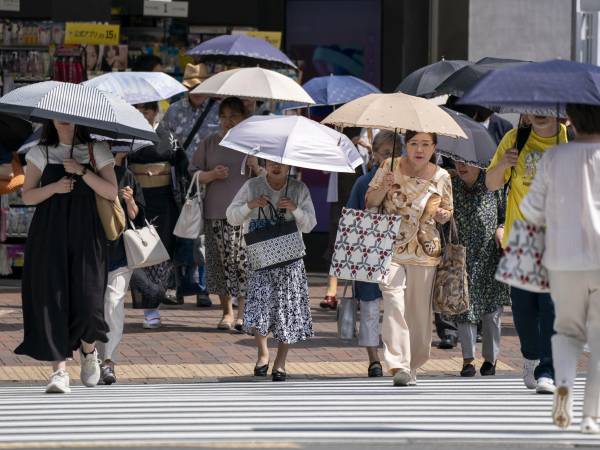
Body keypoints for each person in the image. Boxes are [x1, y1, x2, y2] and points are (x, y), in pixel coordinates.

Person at [15, 120, 118, 393]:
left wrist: (82, 171)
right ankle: (59, 372)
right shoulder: (40, 153)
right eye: (57, 114)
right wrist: (55, 188)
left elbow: (111, 191)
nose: (64, 119)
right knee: (52, 299)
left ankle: (88, 351)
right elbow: (27, 197)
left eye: (69, 115)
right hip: (49, 233)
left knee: (88, 300)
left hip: (88, 233)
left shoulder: (98, 150)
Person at [520, 104, 600, 433]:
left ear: (571, 120)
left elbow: (530, 208)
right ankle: (590, 416)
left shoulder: (554, 157)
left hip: (562, 257)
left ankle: (563, 388)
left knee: (566, 331)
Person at [486, 115, 568, 394]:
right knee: (522, 311)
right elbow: (492, 184)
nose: (538, 111)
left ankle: (548, 369)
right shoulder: (514, 139)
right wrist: (503, 165)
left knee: (551, 308)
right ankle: (531, 355)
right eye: (533, 106)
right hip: (521, 239)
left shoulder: (569, 140)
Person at [365, 130, 453, 386]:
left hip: (425, 250)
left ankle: (413, 364)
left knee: (417, 313)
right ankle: (398, 364)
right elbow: (370, 202)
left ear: (434, 147)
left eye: (426, 144)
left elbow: (447, 210)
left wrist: (443, 216)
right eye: (414, 143)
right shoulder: (389, 165)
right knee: (393, 301)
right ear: (406, 145)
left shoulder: (442, 176)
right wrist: (383, 185)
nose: (419, 149)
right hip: (389, 246)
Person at [227, 160, 316, 381]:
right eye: (272, 163)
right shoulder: (253, 185)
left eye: (283, 164)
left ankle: (281, 361)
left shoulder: (299, 188)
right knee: (259, 303)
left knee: (288, 307)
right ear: (265, 164)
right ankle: (263, 353)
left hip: (290, 254)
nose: (277, 167)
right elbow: (231, 216)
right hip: (259, 252)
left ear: (290, 166)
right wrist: (251, 205)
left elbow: (310, 224)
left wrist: (295, 210)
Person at [128, 102, 190, 328]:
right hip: (136, 198)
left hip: (164, 200)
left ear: (155, 112)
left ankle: (154, 304)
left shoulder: (168, 136)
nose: (143, 115)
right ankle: (147, 306)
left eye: (147, 110)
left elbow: (182, 164)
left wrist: (167, 173)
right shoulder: (128, 134)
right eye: (139, 110)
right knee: (137, 250)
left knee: (161, 251)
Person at [447, 160, 510, 377]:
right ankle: (468, 360)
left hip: (489, 255)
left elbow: (505, 215)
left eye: (468, 163)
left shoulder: (493, 184)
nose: (461, 166)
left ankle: (490, 360)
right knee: (465, 309)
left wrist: (501, 228)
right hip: (461, 256)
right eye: (458, 162)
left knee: (492, 311)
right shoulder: (451, 185)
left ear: (480, 164)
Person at [192, 97, 250, 331]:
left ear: (243, 118)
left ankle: (244, 313)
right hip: (215, 211)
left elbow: (264, 176)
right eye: (223, 116)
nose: (228, 121)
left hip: (245, 213)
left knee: (243, 264)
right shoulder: (209, 143)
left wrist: (257, 166)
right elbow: (194, 174)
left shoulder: (252, 145)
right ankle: (226, 312)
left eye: (233, 115)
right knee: (219, 263)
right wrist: (211, 175)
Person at [163, 63, 218, 307]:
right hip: (182, 180)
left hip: (212, 178)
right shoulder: (174, 111)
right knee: (183, 231)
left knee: (205, 235)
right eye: (192, 87)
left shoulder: (218, 111)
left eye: (200, 87)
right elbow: (164, 142)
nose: (196, 92)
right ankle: (178, 285)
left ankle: (203, 288)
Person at [345, 130, 395, 377]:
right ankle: (373, 358)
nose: (391, 158)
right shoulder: (363, 183)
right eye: (385, 153)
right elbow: (351, 217)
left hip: (398, 251)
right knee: (369, 305)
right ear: (374, 154)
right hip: (368, 251)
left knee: (397, 307)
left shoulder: (406, 182)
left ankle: (397, 356)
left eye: (396, 153)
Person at [97, 150, 145, 385]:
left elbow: (138, 216)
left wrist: (129, 201)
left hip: (121, 253)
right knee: (94, 308)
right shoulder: (89, 174)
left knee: (113, 305)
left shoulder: (127, 176)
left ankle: (108, 362)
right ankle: (93, 358)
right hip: (92, 251)